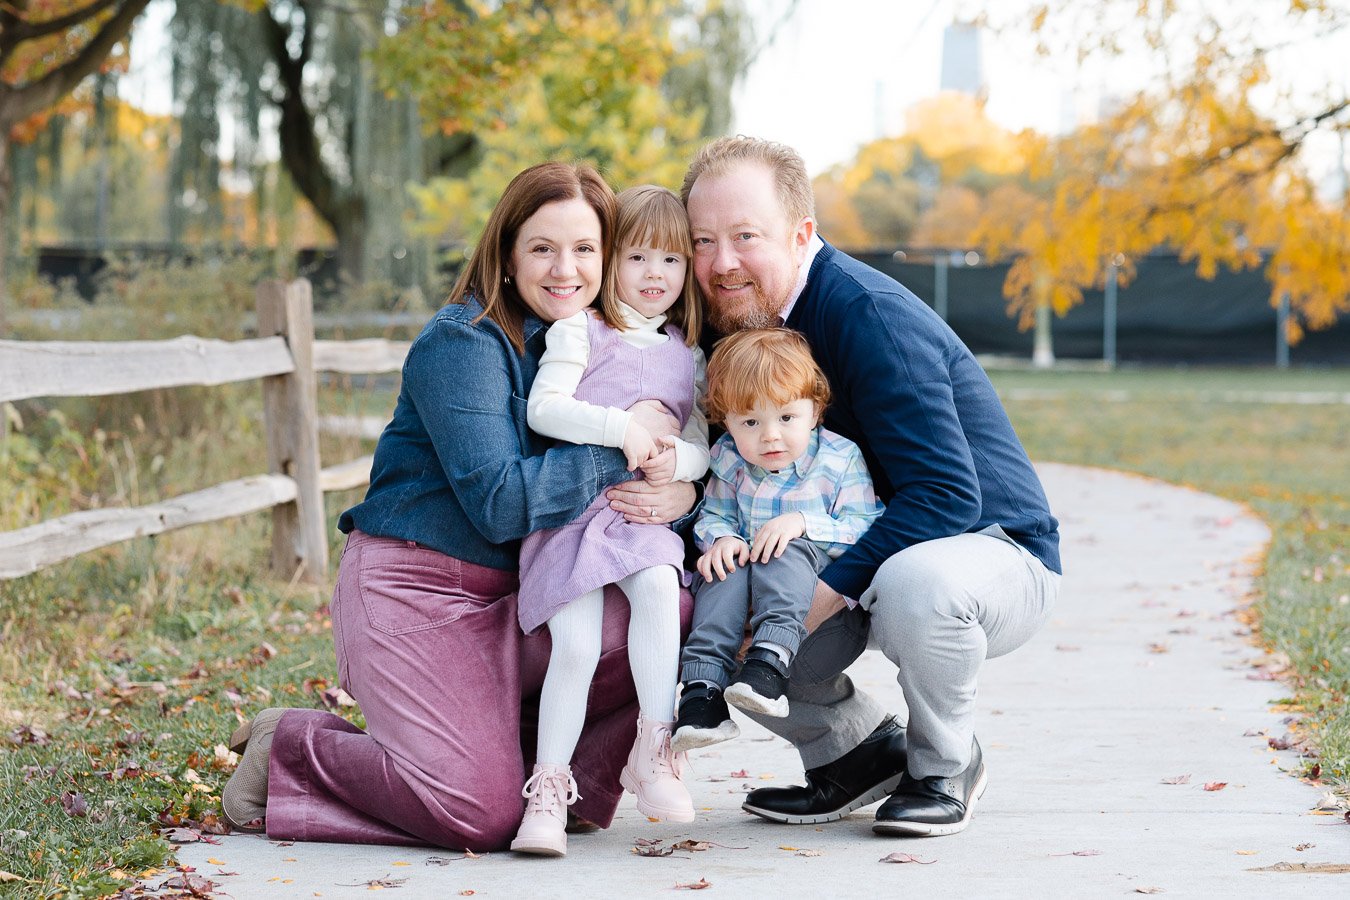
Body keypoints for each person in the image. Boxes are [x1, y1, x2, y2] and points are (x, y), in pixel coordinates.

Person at [219, 162, 699, 850]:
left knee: (671, 604)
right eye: (542, 248)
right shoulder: (463, 342)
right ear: (505, 253)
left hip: (519, 594)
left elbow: (647, 495)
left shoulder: (598, 345)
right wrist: (628, 442)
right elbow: (502, 506)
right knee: (476, 814)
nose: (566, 268)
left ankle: (562, 788)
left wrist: (678, 482)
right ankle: (292, 747)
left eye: (585, 249)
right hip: (416, 589)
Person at [680, 136, 1061, 837]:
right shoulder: (737, 319)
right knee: (717, 589)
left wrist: (814, 602)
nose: (721, 262)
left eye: (744, 236)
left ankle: (945, 764)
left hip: (990, 552)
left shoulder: (865, 315)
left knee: (911, 583)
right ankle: (855, 755)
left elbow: (947, 494)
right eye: (703, 240)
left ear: (801, 235)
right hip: (850, 545)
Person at [510, 185, 709, 856]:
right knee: (578, 645)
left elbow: (704, 446)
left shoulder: (688, 352)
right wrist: (623, 429)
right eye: (639, 257)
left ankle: (654, 749)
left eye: (673, 261)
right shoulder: (582, 330)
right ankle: (547, 792)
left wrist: (673, 462)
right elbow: (546, 409)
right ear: (611, 261)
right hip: (569, 515)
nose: (657, 275)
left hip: (638, 514)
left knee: (659, 585)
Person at [671, 328, 882, 753]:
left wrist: (802, 522)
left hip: (816, 614)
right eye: (750, 422)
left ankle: (769, 661)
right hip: (743, 601)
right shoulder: (729, 458)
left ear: (815, 410)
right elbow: (715, 514)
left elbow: (865, 525)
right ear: (725, 422)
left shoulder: (840, 459)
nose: (770, 436)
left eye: (786, 418)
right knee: (722, 568)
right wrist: (723, 539)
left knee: (783, 547)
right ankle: (703, 694)